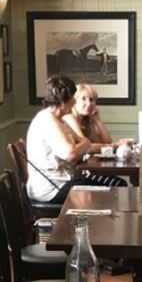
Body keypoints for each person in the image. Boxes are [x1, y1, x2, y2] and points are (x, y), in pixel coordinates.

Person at [24, 74, 126, 204]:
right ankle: (90, 223)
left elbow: (83, 143)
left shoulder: (58, 120)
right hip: (51, 188)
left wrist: (83, 144)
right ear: (63, 100)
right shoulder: (48, 121)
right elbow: (71, 154)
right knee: (107, 195)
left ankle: (99, 223)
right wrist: (84, 144)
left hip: (63, 182)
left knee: (112, 191)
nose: (74, 102)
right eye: (73, 98)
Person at [63, 83, 132, 153]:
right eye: (83, 99)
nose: (89, 103)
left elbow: (106, 142)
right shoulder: (69, 117)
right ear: (74, 101)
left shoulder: (86, 120)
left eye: (91, 99)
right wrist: (116, 145)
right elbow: (86, 148)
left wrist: (98, 120)